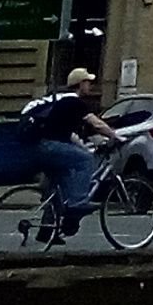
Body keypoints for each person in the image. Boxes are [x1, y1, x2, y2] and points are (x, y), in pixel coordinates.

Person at [19, 70, 118, 238]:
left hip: (33, 146)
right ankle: (78, 203)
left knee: (61, 182)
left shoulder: (59, 100)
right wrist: (115, 135)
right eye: (88, 82)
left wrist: (85, 146)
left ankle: (47, 231)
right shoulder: (74, 101)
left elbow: (69, 135)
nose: (90, 85)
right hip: (47, 146)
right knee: (85, 160)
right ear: (80, 84)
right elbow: (96, 124)